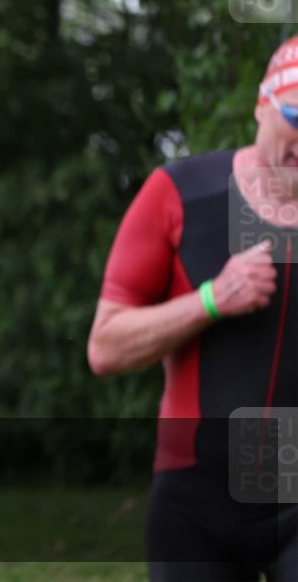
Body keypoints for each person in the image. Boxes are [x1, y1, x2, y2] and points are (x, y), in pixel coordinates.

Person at [87, 36, 298, 581]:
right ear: (262, 105)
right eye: (295, 117)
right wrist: (211, 299)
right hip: (196, 504)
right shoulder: (181, 193)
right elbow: (105, 347)